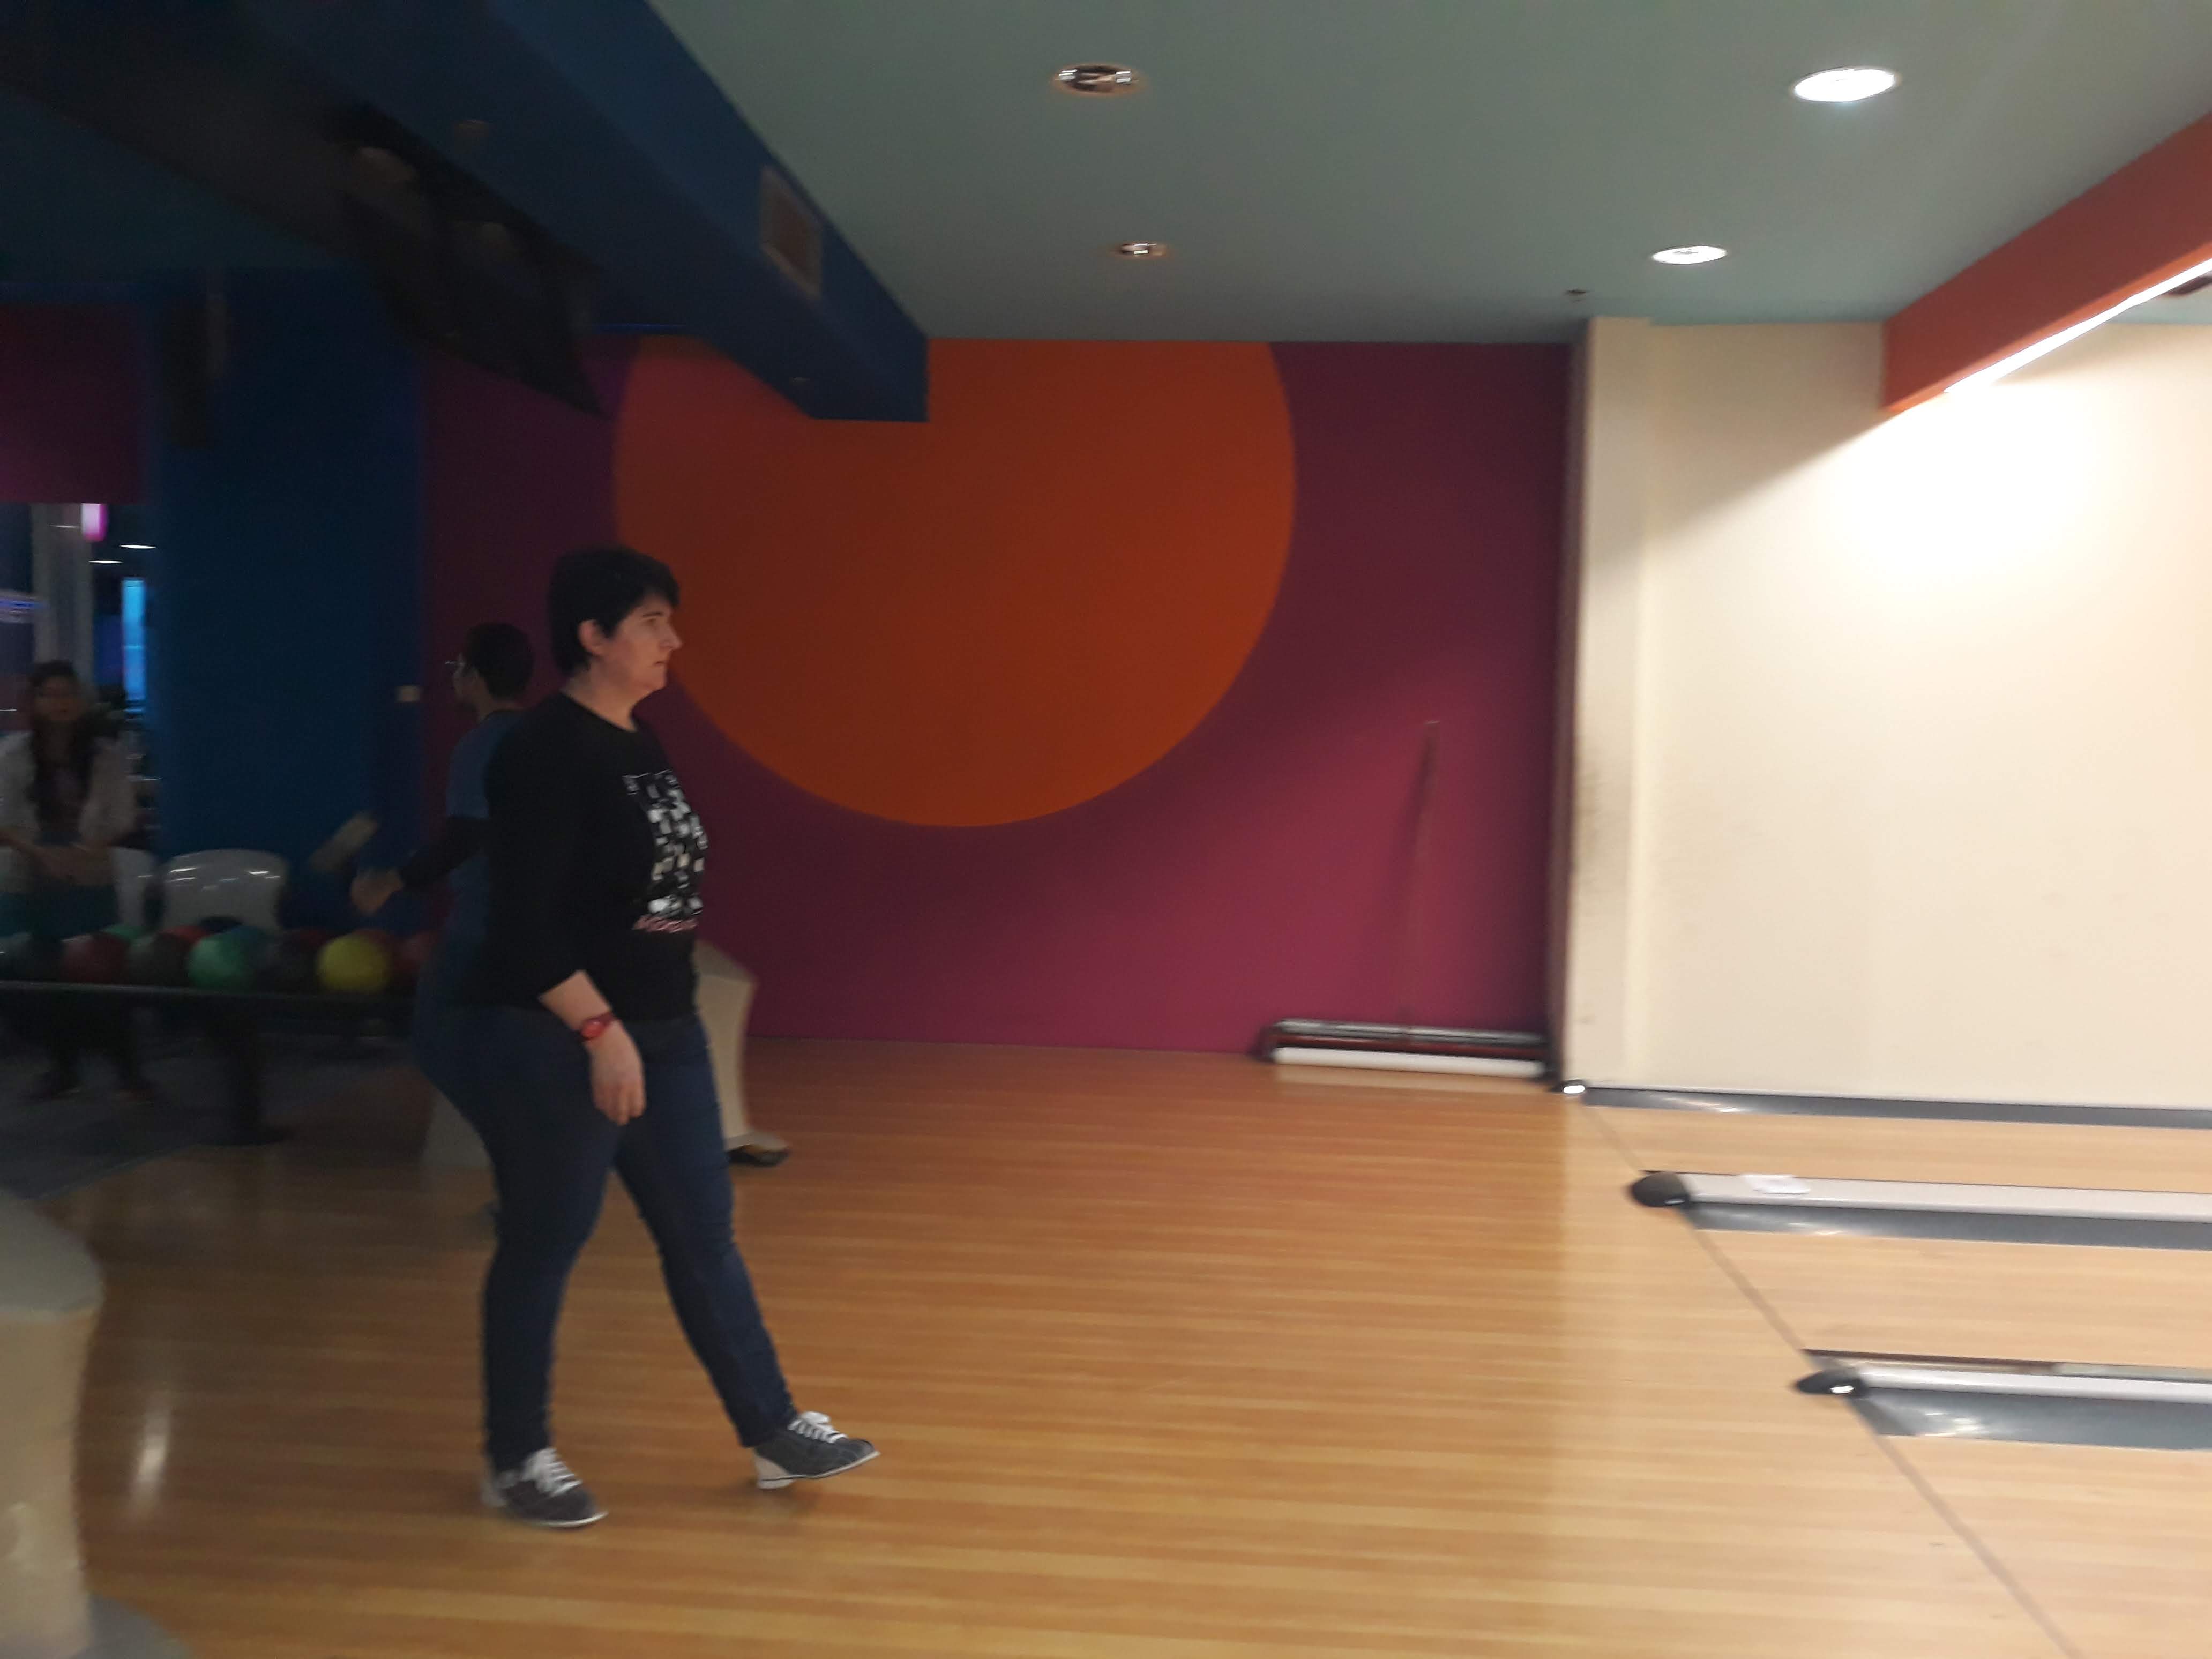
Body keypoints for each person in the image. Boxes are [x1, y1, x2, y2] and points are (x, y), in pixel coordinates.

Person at [462, 545, 875, 1528]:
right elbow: (521, 929)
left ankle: (772, 1429)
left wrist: (645, 1025)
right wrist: (599, 1031)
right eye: (652, 623)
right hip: (564, 1040)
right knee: (544, 1244)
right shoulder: (542, 750)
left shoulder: (638, 738)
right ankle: (516, 1458)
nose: (672, 641)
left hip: (665, 1031)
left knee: (703, 1238)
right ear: (593, 636)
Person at [352, 622, 533, 1112]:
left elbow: (467, 837)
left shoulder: (480, 745)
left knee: (434, 1040)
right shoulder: (548, 739)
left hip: (484, 925)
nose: (453, 677)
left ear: (475, 677)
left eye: (457, 668)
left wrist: (390, 882)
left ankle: (513, 1138)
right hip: (545, 927)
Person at [0, 662, 151, 1102]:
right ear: (35, 702)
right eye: (49, 695)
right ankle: (63, 1067)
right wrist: (42, 854)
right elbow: (4, 818)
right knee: (46, 976)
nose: (60, 703)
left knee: (102, 970)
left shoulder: (105, 755)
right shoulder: (13, 754)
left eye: (68, 694)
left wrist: (87, 849)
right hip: (33, 872)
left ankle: (128, 1071)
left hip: (89, 870)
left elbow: (124, 816)